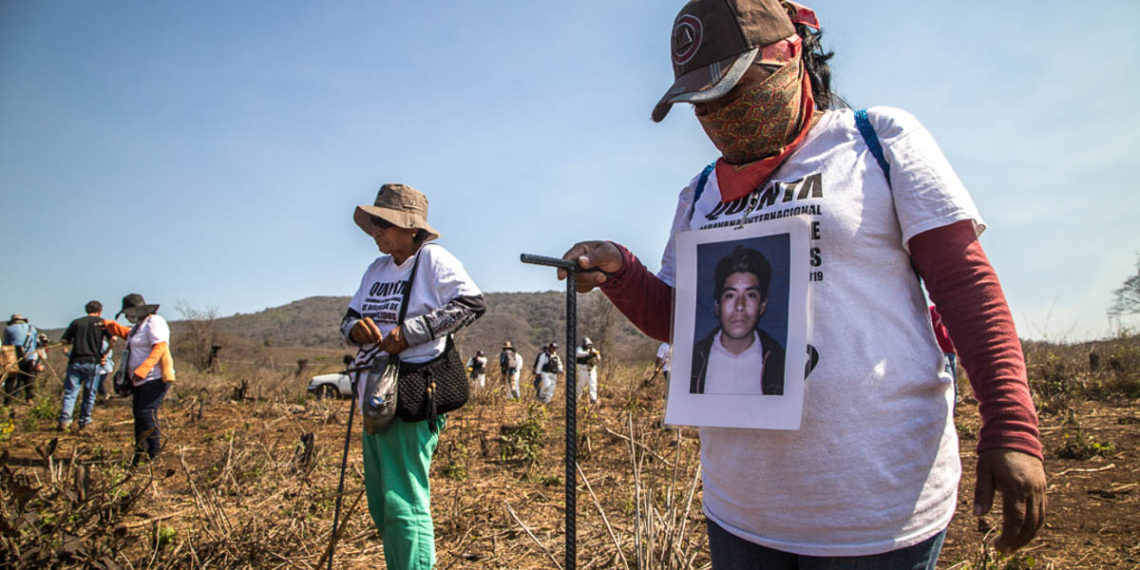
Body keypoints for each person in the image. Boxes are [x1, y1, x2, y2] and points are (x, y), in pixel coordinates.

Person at [557, 0, 1046, 565]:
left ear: (792, 56)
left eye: (735, 89)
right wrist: (623, 270)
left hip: (875, 510)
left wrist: (1010, 423)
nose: (720, 113)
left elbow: (965, 286)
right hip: (741, 508)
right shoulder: (699, 195)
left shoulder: (876, 142)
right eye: (704, 102)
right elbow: (687, 319)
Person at [339, 183, 485, 570]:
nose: (377, 231)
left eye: (385, 223)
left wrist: (409, 333)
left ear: (411, 228)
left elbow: (471, 304)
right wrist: (357, 330)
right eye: (374, 223)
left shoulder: (433, 260)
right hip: (375, 392)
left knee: (402, 499)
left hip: (413, 389)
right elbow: (348, 318)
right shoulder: (377, 269)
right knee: (382, 500)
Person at [690, 246, 785, 395]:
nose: (740, 306)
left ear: (762, 306)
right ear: (717, 306)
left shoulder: (780, 361)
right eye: (730, 295)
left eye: (751, 295)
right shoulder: (693, 360)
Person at [102, 294, 175, 463]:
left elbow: (160, 346)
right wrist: (114, 327)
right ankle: (140, 453)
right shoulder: (138, 327)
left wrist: (144, 368)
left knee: (146, 414)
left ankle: (153, 453)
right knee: (139, 415)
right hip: (140, 380)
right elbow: (132, 338)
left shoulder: (154, 322)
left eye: (128, 313)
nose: (127, 316)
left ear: (135, 310)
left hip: (154, 377)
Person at [59, 301, 110, 432]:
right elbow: (114, 339)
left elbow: (64, 340)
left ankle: (65, 420)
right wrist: (105, 353)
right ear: (100, 310)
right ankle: (85, 421)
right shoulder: (102, 323)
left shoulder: (77, 322)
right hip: (93, 362)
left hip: (75, 360)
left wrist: (70, 344)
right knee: (89, 393)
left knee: (70, 392)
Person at [3, 314, 40, 405]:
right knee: (28, 378)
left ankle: (7, 402)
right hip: (30, 356)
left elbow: (6, 345)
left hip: (14, 356)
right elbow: (35, 343)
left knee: (10, 379)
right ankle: (29, 398)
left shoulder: (9, 329)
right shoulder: (32, 329)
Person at [575, 337, 602, 403]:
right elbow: (578, 354)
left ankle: (593, 399)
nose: (588, 346)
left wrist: (596, 356)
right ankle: (576, 399)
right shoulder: (579, 349)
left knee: (593, 384)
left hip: (592, 369)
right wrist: (589, 353)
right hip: (582, 369)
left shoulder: (593, 349)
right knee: (581, 384)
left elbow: (598, 357)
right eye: (587, 344)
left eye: (589, 344)